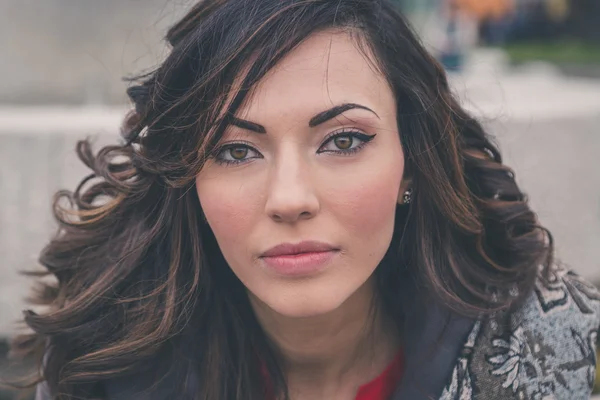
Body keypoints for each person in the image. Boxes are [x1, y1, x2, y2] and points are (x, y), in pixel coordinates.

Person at [13, 0, 599, 399]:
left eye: (343, 141)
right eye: (236, 151)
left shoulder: (560, 352)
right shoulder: (100, 370)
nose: (289, 199)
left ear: (411, 164)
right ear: (187, 178)